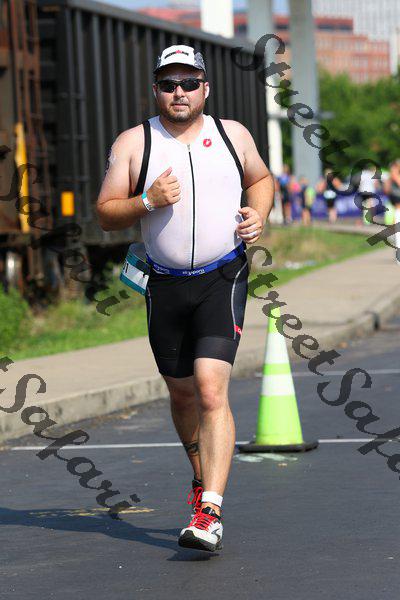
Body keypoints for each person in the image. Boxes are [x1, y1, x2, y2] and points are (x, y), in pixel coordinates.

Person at [96, 45, 274, 552]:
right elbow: (105, 212)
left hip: (223, 277)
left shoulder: (232, 134)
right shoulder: (135, 142)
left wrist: (258, 214)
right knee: (182, 394)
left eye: (189, 83)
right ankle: (201, 477)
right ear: (156, 89)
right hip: (165, 284)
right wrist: (147, 200)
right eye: (169, 83)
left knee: (211, 389)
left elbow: (261, 179)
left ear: (205, 88)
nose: (180, 92)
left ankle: (209, 510)